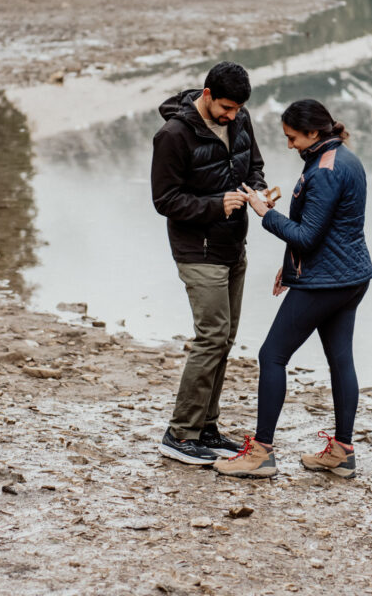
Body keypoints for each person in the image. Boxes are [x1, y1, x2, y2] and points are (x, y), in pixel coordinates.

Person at [215, 98, 372, 480]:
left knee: (272, 355)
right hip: (351, 277)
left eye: (293, 138)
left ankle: (262, 453)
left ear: (314, 133)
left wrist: (263, 212)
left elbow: (307, 236)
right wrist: (289, 269)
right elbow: (330, 232)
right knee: (341, 361)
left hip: (325, 283)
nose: (290, 145)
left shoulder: (324, 171)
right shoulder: (344, 157)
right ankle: (342, 453)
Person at [151, 61, 269, 465]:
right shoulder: (172, 135)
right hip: (197, 249)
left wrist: (257, 194)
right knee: (211, 337)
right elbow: (164, 200)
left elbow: (254, 165)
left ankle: (206, 427)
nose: (232, 116)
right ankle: (180, 433)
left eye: (237, 110)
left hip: (234, 245)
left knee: (225, 338)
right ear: (206, 95)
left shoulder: (241, 117)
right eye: (225, 109)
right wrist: (215, 205)